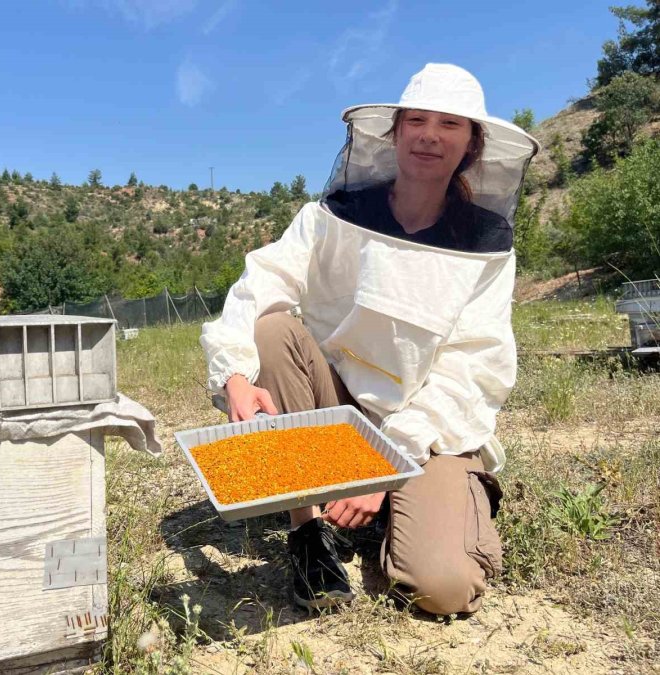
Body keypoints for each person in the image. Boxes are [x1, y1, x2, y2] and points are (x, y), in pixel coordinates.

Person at [200, 64, 539, 615]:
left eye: (450, 124)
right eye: (417, 121)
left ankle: (407, 508)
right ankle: (308, 527)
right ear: (395, 132)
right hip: (339, 411)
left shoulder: (487, 245)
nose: (430, 135)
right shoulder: (332, 217)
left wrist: (386, 463)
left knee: (442, 586)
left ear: (472, 144)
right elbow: (260, 285)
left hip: (427, 433)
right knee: (271, 329)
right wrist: (234, 373)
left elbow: (471, 367)